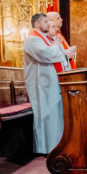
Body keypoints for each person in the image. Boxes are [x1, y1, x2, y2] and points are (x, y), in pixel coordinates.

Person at [22, 13, 76, 155]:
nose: (49, 24)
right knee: (47, 115)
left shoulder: (44, 38)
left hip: (51, 83)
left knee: (55, 115)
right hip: (42, 85)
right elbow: (45, 54)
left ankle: (57, 145)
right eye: (46, 22)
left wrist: (64, 53)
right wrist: (58, 48)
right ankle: (47, 148)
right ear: (37, 24)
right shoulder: (32, 39)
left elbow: (57, 56)